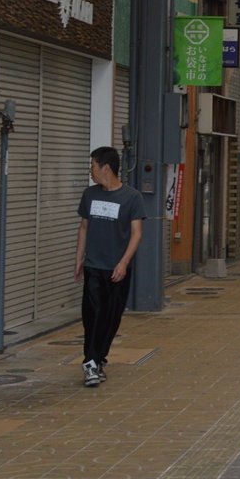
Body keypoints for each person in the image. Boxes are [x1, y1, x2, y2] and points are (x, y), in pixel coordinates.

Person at [75, 146, 144, 388]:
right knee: (92, 316)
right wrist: (79, 259)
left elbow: (136, 234)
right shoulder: (90, 195)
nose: (91, 171)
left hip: (118, 269)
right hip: (94, 266)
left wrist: (124, 263)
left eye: (92, 165)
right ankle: (90, 363)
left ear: (106, 167)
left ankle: (98, 358)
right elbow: (84, 228)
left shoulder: (131, 197)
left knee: (111, 317)